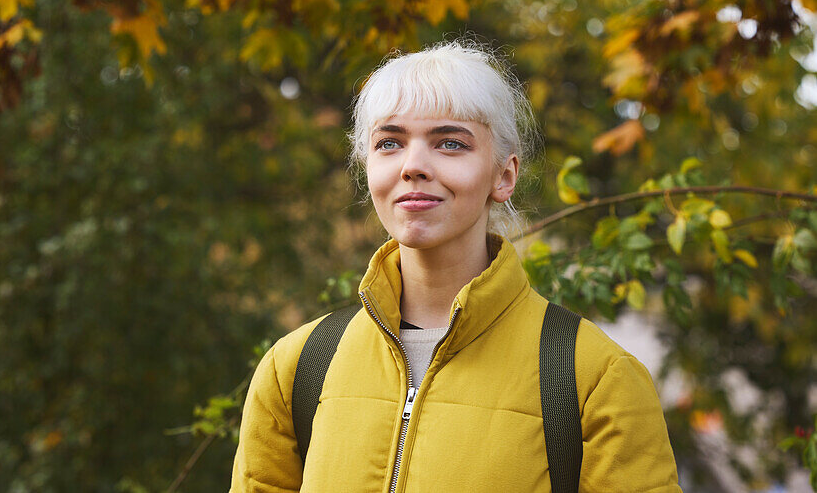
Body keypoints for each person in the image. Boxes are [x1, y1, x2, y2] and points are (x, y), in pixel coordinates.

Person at [230, 40, 681, 492]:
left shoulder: (594, 377)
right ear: (367, 168)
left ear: (504, 176)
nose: (413, 166)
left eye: (450, 143)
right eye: (390, 142)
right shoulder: (296, 368)